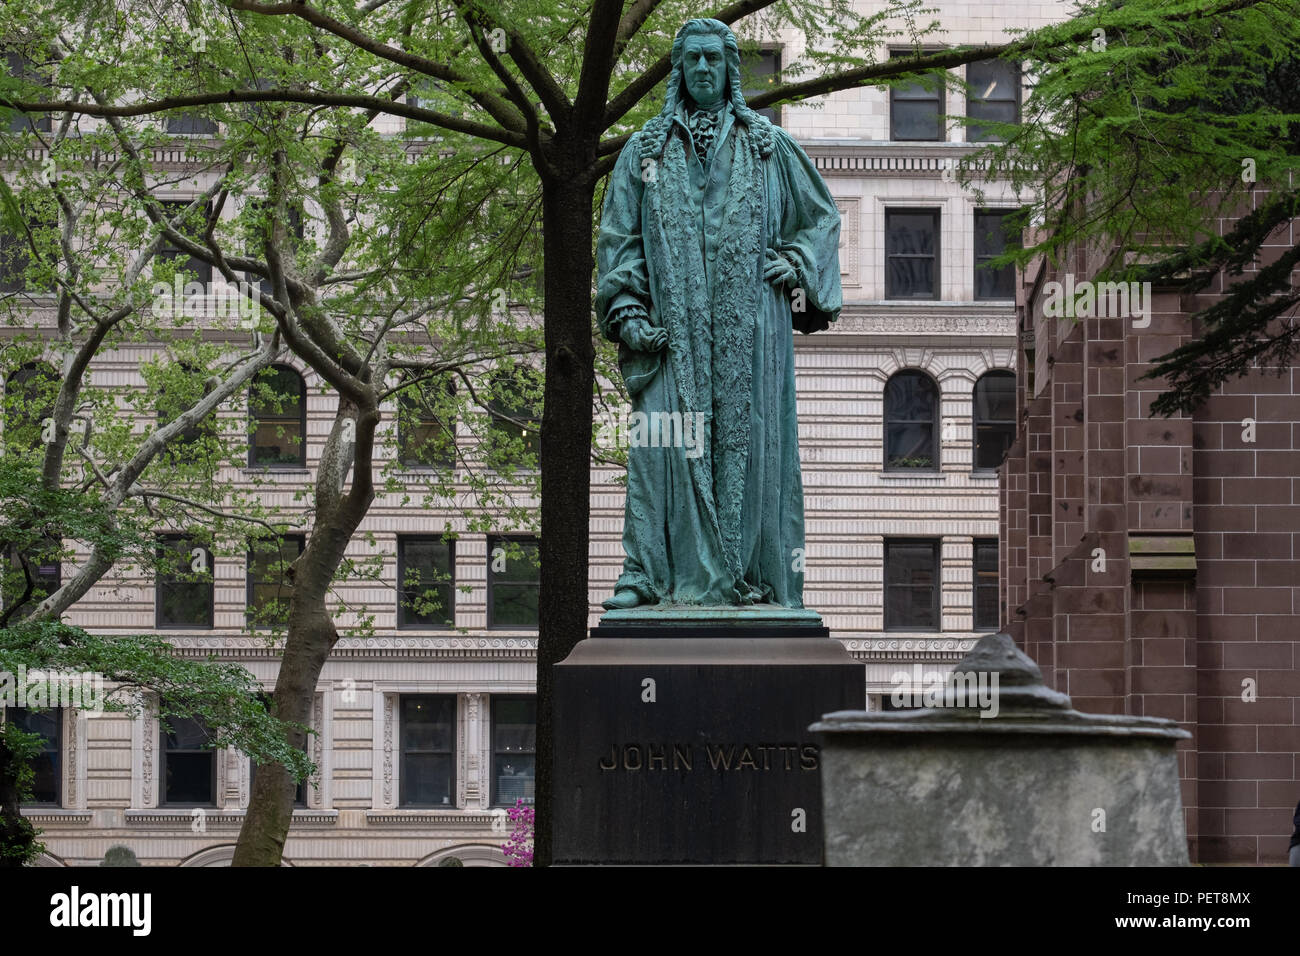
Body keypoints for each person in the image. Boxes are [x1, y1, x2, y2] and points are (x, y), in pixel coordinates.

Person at [596, 18, 841, 610]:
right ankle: (646, 576)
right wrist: (627, 308)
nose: (703, 69)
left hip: (750, 326)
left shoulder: (768, 146)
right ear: (678, 70)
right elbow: (618, 238)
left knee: (751, 445)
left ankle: (759, 578)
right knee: (659, 446)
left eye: (714, 59)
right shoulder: (645, 151)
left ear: (732, 69)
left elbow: (820, 218)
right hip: (670, 328)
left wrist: (798, 266)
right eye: (693, 60)